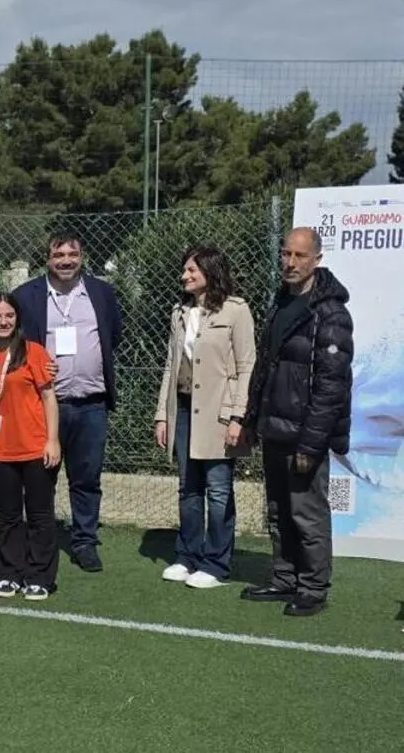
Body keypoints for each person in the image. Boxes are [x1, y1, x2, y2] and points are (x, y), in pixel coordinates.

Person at [241, 227, 353, 617]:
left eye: (299, 256)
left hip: (305, 436)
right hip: (274, 428)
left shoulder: (331, 314)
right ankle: (284, 578)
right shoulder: (281, 301)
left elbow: (331, 387)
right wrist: (252, 418)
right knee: (278, 511)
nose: (290, 262)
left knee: (307, 513)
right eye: (286, 254)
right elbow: (265, 368)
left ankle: (313, 588)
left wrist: (311, 444)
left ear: (317, 259)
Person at [12, 234, 123, 573]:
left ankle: (85, 541)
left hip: (91, 404)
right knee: (41, 479)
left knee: (87, 478)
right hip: (45, 405)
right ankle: (40, 539)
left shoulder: (102, 293)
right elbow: (16, 344)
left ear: (82, 257)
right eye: (58, 254)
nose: (65, 260)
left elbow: (114, 335)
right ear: (47, 259)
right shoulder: (26, 296)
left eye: (72, 254)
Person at [154, 246, 256, 589]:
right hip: (183, 409)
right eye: (184, 270)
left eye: (191, 270)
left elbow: (247, 366)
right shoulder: (180, 313)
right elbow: (171, 365)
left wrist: (238, 416)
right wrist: (162, 415)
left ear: (210, 272)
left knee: (219, 489)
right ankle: (187, 556)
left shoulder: (236, 310)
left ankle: (216, 563)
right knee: (188, 488)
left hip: (219, 413)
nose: (184, 276)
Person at [0, 293, 60, 601]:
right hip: (0, 449)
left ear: (17, 318)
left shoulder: (33, 351)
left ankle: (40, 575)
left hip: (35, 447)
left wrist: (52, 440)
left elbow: (49, 397)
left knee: (39, 515)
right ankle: (10, 572)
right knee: (7, 516)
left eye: (9, 316)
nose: (3, 322)